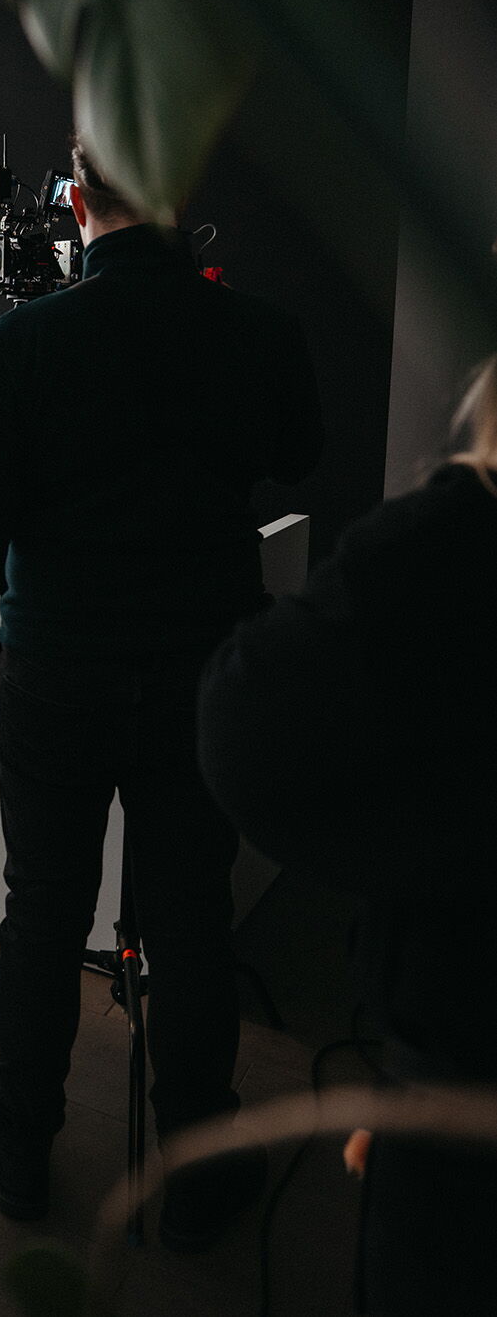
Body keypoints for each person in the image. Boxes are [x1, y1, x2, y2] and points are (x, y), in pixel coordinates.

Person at [0, 137, 322, 1243]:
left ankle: (23, 1140)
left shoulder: (29, 341)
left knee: (43, 910)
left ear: (74, 187)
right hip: (203, 673)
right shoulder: (256, 330)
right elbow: (300, 449)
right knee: (191, 919)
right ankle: (197, 1172)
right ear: (183, 191)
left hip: (55, 669)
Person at [197, 355, 497, 1314]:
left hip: (459, 1097)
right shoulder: (246, 335)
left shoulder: (456, 538)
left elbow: (245, 725)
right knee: (184, 921)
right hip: (448, 1073)